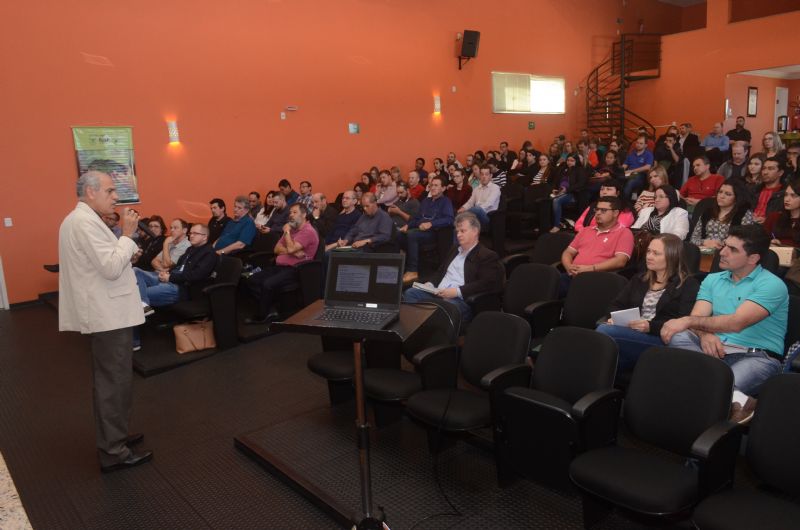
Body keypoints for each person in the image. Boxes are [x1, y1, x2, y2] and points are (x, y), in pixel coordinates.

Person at [58, 170, 152, 472]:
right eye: (110, 191)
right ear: (90, 192)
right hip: (107, 316)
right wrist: (126, 235)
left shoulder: (86, 221)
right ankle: (113, 451)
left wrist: (126, 249)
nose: (116, 198)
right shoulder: (84, 222)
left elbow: (107, 261)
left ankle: (117, 436)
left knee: (116, 381)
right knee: (113, 383)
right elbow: (111, 267)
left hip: (109, 312)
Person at [661, 225, 789, 424]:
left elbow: (737, 323)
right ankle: (740, 400)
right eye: (724, 246)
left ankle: (720, 404)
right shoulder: (712, 279)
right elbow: (698, 318)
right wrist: (704, 335)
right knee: (678, 335)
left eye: (733, 249)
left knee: (710, 386)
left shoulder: (772, 284)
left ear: (753, 258)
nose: (723, 252)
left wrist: (687, 321)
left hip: (757, 356)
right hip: (714, 349)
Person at [596, 234, 700, 373]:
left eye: (656, 253)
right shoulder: (639, 279)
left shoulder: (688, 284)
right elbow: (615, 304)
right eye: (649, 251)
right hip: (631, 331)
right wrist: (614, 317)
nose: (649, 256)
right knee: (608, 356)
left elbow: (683, 321)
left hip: (660, 338)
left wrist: (650, 326)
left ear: (672, 257)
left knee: (604, 333)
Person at [403, 212, 504, 323]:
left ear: (475, 231)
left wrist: (457, 292)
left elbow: (486, 283)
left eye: (463, 231)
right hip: (438, 293)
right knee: (410, 293)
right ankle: (419, 326)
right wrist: (430, 284)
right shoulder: (454, 249)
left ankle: (426, 326)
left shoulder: (486, 255)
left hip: (459, 300)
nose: (458, 235)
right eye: (457, 231)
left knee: (445, 307)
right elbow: (440, 271)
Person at [244, 203, 320, 324]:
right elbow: (276, 249)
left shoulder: (308, 231)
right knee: (251, 280)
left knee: (267, 284)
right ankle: (270, 308)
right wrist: (293, 252)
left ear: (304, 214)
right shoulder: (291, 229)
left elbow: (289, 248)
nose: (291, 215)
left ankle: (262, 315)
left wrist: (287, 233)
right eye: (290, 212)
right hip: (280, 266)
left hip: (296, 270)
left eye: (294, 212)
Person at [560, 196, 634, 295]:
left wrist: (590, 268)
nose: (598, 213)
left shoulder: (624, 233)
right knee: (548, 281)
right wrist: (569, 267)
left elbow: (620, 261)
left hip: (598, 279)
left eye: (603, 210)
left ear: (615, 213)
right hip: (574, 275)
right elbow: (568, 252)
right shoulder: (585, 230)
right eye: (597, 209)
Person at [134, 224, 217, 309]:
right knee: (136, 270)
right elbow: (178, 266)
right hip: (170, 279)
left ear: (204, 237)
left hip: (180, 288)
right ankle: (144, 304)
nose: (191, 236)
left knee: (137, 293)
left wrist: (170, 277)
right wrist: (167, 273)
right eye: (190, 233)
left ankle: (143, 305)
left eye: (195, 233)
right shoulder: (191, 249)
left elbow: (195, 275)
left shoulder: (209, 253)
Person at [398, 175, 455, 283]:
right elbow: (418, 218)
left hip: (434, 233)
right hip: (420, 231)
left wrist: (431, 224)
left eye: (436, 185)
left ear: (443, 188)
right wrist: (408, 226)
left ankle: (412, 271)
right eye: (432, 185)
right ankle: (400, 266)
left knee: (412, 235)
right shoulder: (426, 201)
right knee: (399, 235)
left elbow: (449, 219)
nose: (433, 187)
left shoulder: (445, 201)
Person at [690, 180, 755, 249]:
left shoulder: (744, 214)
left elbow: (744, 241)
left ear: (737, 198)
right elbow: (693, 239)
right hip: (704, 251)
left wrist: (721, 244)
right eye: (720, 192)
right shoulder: (708, 212)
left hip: (729, 253)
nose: (721, 196)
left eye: (728, 194)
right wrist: (704, 242)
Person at [326, 193, 393, 251]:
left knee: (331, 256)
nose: (365, 209)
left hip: (368, 249)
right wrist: (346, 240)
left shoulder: (384, 216)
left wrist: (366, 241)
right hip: (354, 246)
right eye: (363, 206)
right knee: (330, 254)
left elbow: (385, 236)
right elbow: (353, 230)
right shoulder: (364, 216)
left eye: (367, 206)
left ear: (375, 203)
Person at [549, 154, 587, 232]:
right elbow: (555, 182)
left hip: (572, 193)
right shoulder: (563, 169)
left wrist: (567, 189)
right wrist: (554, 189)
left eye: (572, 161)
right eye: (568, 160)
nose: (569, 162)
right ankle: (548, 224)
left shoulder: (580, 170)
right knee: (546, 201)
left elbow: (580, 184)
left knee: (556, 201)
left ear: (576, 161)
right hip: (560, 192)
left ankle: (557, 225)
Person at [458, 164, 500, 230]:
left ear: (491, 176)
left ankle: (464, 217)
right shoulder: (476, 189)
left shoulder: (495, 188)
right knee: (458, 216)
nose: (484, 176)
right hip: (474, 215)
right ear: (480, 175)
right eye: (482, 174)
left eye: (486, 174)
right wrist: (462, 208)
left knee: (477, 209)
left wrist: (468, 212)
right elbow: (470, 202)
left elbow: (489, 203)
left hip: (487, 216)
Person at [764, 178, 800, 246]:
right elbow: (760, 240)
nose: (787, 199)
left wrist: (783, 245)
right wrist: (770, 242)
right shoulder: (774, 217)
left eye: (793, 196)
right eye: (786, 195)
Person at [752, 157, 787, 223]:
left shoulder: (785, 194)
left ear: (780, 173)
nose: (765, 172)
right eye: (764, 168)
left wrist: (767, 220)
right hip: (750, 223)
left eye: (770, 169)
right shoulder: (754, 190)